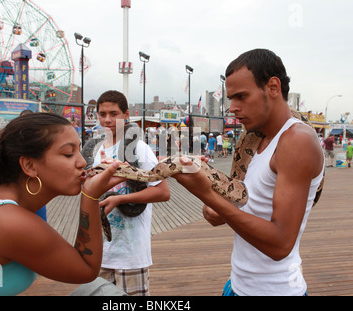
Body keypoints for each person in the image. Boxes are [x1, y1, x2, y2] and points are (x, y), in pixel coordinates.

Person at [172, 49, 324, 296]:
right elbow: (218, 215)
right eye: (230, 98)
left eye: (241, 96)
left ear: (273, 87)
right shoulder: (255, 142)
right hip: (238, 285)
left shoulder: (297, 141)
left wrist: (206, 194)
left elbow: (280, 245)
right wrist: (208, 179)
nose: (232, 108)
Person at [0, 113, 124, 296]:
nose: (81, 162)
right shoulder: (7, 220)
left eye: (79, 150)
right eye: (68, 154)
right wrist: (90, 196)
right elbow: (86, 270)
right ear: (29, 165)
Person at [89, 90, 170, 296]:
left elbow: (163, 192)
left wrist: (120, 199)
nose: (107, 119)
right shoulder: (96, 151)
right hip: (101, 251)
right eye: (102, 114)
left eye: (113, 113)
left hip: (130, 252)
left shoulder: (139, 148)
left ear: (126, 115)